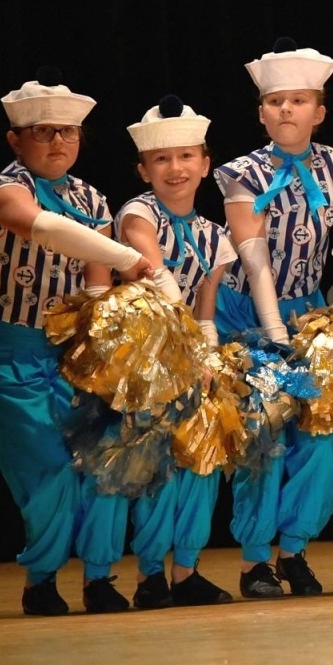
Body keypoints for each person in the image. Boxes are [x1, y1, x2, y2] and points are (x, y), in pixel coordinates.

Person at [0, 68, 156, 615]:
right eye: (43, 132)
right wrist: (128, 259)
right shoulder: (2, 191)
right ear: (16, 140)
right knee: (46, 467)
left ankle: (99, 577)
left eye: (66, 132)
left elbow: (94, 287)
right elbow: (42, 227)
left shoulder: (91, 199)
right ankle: (41, 580)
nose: (57, 142)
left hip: (65, 352)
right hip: (3, 353)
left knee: (103, 457)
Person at [214, 39, 333, 597]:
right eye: (276, 101)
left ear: (320, 111)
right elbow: (254, 260)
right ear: (261, 112)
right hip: (250, 315)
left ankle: (295, 550)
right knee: (264, 436)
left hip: (309, 311)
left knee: (318, 437)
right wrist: (276, 336)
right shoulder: (242, 173)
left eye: (299, 100)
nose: (287, 110)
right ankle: (255, 559)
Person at [117, 96, 238, 606]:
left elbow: (206, 310)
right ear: (144, 168)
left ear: (205, 165)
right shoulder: (137, 213)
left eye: (187, 156)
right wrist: (190, 347)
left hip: (193, 360)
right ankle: (149, 574)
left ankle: (185, 570)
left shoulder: (214, 237)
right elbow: (154, 271)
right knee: (156, 465)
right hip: (147, 357)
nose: (175, 168)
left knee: (202, 459)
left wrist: (209, 356)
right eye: (162, 159)